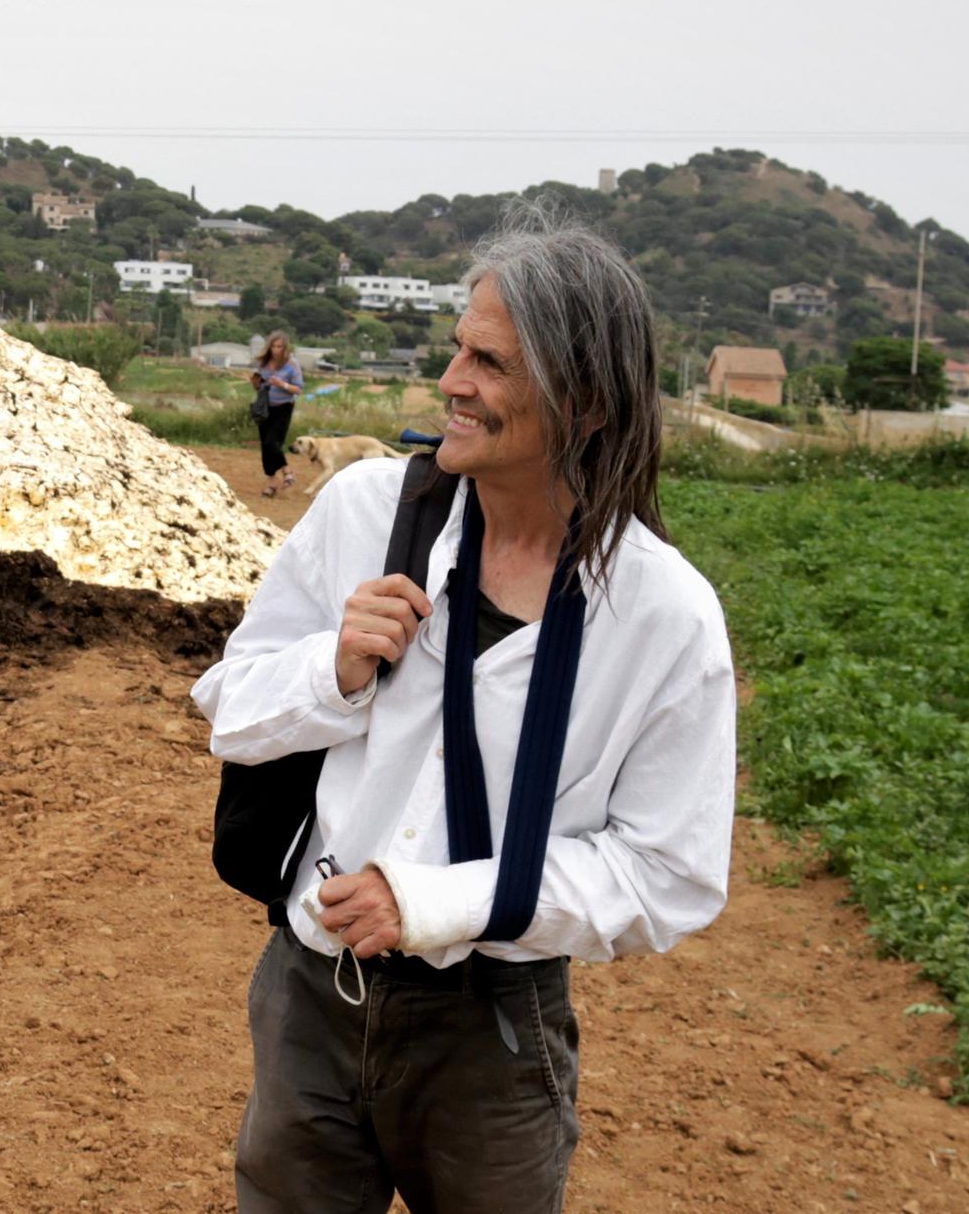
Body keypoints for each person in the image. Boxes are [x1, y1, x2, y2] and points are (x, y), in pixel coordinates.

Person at [192, 203, 736, 1213]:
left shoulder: (660, 619)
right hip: (310, 992)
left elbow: (668, 871)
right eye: (455, 351)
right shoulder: (364, 511)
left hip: (490, 1031)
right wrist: (334, 670)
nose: (449, 383)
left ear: (586, 405)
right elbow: (228, 706)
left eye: (486, 364)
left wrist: (434, 902)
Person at [249, 331, 303, 498]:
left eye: (279, 346)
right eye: (273, 346)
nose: (275, 350)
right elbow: (261, 387)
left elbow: (298, 389)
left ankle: (287, 472)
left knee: (273, 442)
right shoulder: (264, 364)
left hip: (284, 407)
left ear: (285, 348)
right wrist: (256, 383)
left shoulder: (292, 365)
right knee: (265, 446)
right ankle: (272, 483)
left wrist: (283, 384)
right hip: (266, 407)